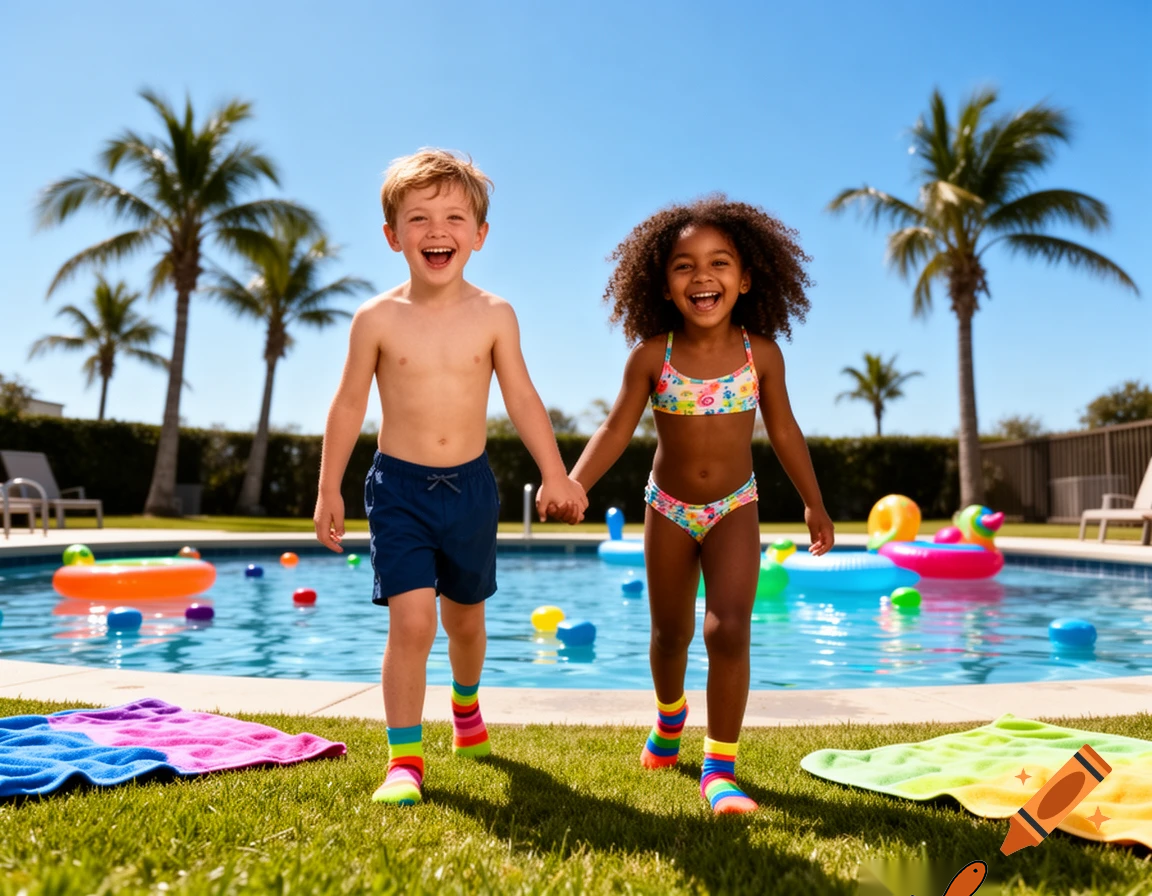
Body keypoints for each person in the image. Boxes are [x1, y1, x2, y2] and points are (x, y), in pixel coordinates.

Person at [313, 148, 587, 806]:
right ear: (393, 236)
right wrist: (329, 487)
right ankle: (404, 760)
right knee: (413, 624)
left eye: (454, 217)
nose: (438, 230)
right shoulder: (375, 319)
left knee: (465, 623)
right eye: (420, 218)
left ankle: (466, 708)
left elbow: (522, 396)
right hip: (399, 489)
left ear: (479, 236)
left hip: (470, 490)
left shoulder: (495, 315)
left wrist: (556, 472)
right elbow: (349, 404)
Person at [561, 196, 834, 814]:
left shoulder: (760, 355)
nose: (702, 276)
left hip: (736, 505)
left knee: (729, 629)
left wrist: (814, 504)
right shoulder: (650, 356)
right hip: (669, 508)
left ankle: (719, 766)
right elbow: (613, 430)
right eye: (684, 265)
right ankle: (668, 716)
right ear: (662, 282)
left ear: (746, 278)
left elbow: (785, 431)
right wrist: (577, 481)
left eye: (719, 263)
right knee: (670, 633)